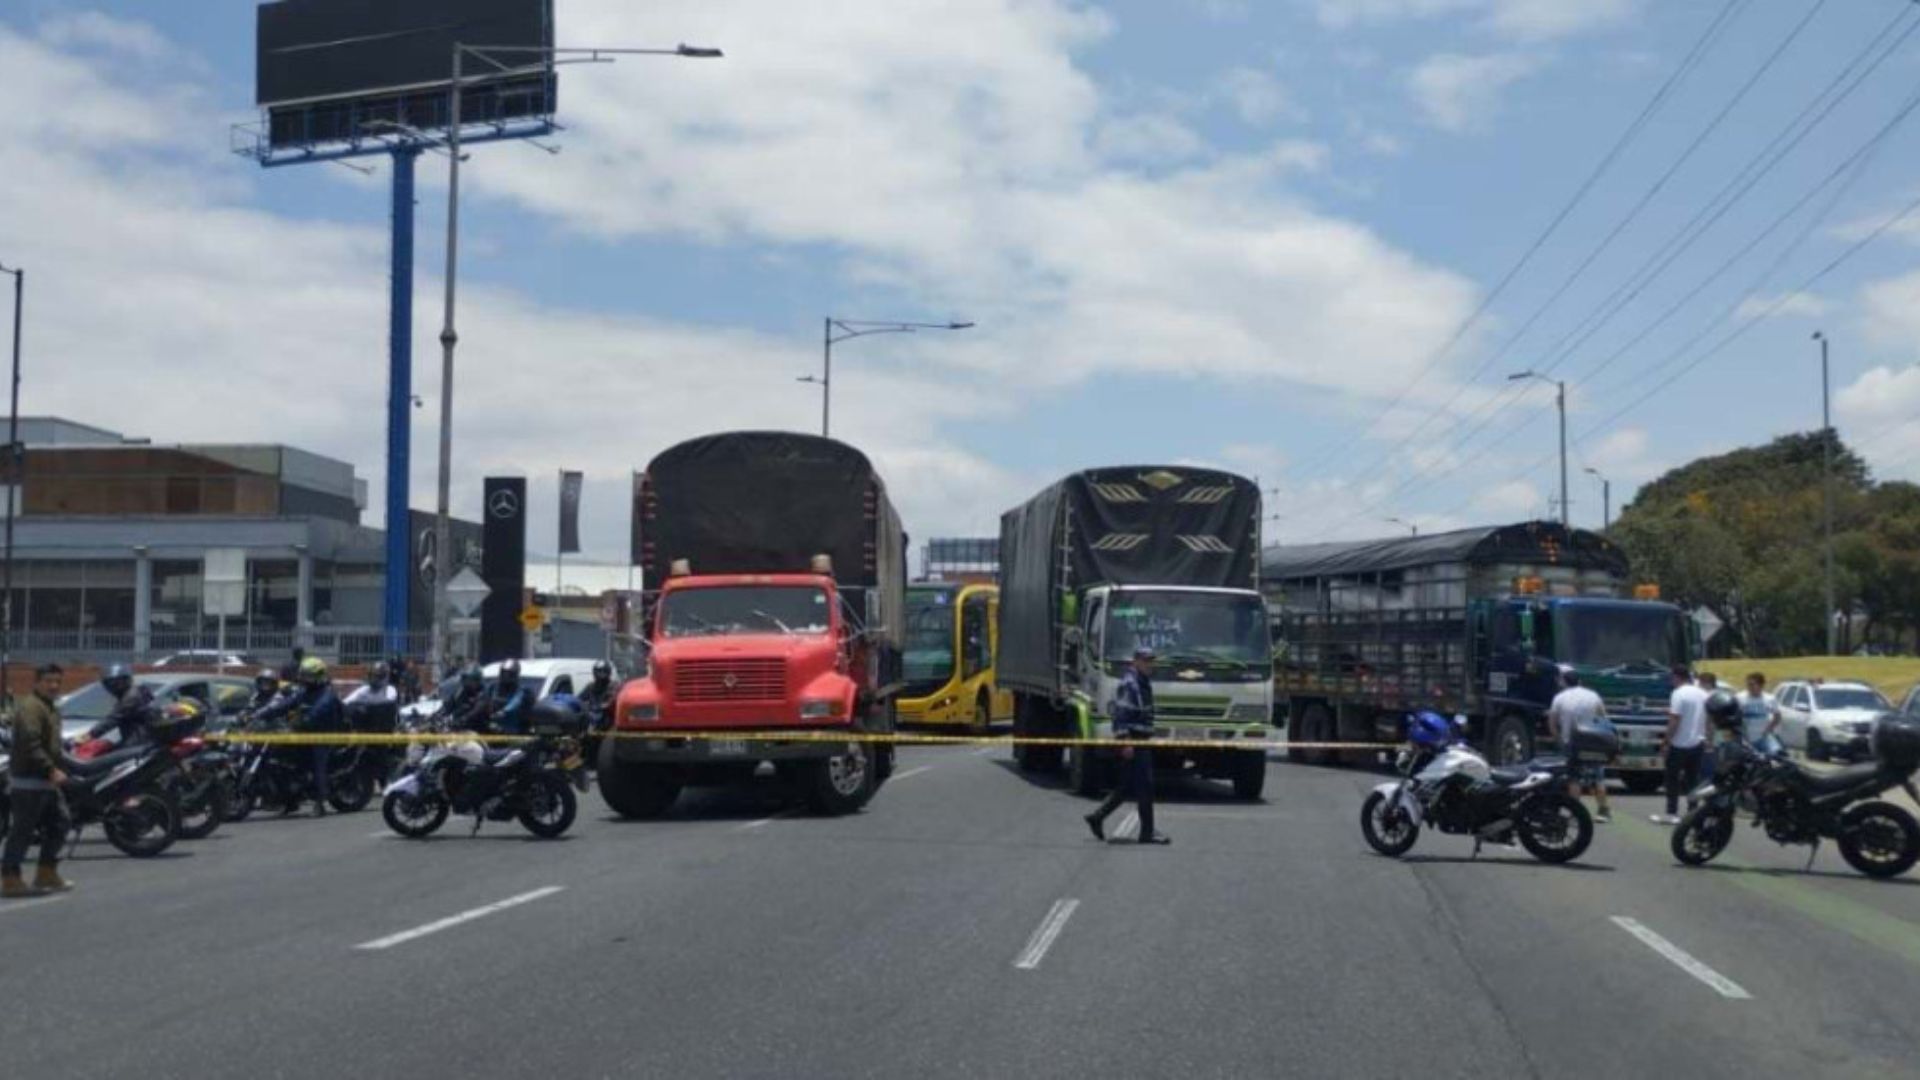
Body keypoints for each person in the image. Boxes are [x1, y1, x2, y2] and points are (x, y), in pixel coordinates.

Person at [1084, 646, 1170, 845]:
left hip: (1140, 739)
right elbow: (1121, 715)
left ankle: (1097, 817)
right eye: (1146, 660)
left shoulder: (1141, 681)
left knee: (1126, 787)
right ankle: (1147, 833)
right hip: (1134, 740)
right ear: (1136, 661)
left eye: (1151, 660)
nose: (1150, 664)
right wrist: (1126, 743)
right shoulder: (1130, 684)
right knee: (1145, 787)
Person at [3, 664, 75, 899]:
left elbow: (51, 744)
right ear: (37, 683)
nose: (53, 685)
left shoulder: (49, 707)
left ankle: (46, 872)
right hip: (29, 781)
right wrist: (50, 769)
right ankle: (10, 877)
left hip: (45, 780)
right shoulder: (31, 708)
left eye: (57, 681)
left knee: (60, 823)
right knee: (23, 830)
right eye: (48, 681)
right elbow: (30, 744)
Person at [252, 656, 343, 816]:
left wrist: (298, 724)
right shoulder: (304, 692)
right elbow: (284, 705)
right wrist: (259, 714)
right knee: (280, 755)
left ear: (318, 676)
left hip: (323, 736)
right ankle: (289, 798)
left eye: (308, 675)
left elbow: (316, 713)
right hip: (302, 733)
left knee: (317, 764)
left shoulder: (327, 695)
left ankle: (320, 802)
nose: (304, 679)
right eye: (303, 675)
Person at [1547, 669, 1613, 824]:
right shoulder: (1593, 695)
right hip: (1593, 742)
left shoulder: (1559, 698)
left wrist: (1559, 740)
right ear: (1580, 682)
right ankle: (1603, 811)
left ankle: (1575, 812)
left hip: (1572, 742)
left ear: (1564, 682)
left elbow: (1552, 723)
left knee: (1574, 778)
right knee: (1597, 777)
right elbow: (1603, 717)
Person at [1654, 666, 1709, 825]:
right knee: (1693, 780)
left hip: (1679, 743)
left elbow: (1675, 720)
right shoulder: (1702, 693)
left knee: (1672, 779)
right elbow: (1707, 718)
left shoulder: (1678, 693)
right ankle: (1693, 812)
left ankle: (1672, 813)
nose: (1672, 681)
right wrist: (1708, 738)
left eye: (1672, 678)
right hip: (1698, 742)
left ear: (1677, 677)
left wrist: (1666, 741)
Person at [86, 664, 159, 747]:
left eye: (115, 682)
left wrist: (87, 736)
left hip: (139, 742)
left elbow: (112, 719)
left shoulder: (131, 698)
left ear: (126, 680)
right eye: (108, 683)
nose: (111, 686)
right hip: (143, 740)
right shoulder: (134, 693)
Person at [1736, 672, 1785, 757]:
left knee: (1775, 753)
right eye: (1748, 684)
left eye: (1752, 684)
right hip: (1745, 738)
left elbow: (1777, 716)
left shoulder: (1769, 698)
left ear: (1761, 685)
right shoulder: (1739, 697)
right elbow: (1734, 716)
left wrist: (1769, 729)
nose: (1749, 687)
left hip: (1763, 737)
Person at [479, 660, 532, 737]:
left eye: (509, 674)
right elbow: (482, 702)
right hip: (491, 732)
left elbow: (516, 701)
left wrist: (503, 712)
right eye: (503, 673)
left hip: (514, 734)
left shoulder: (523, 691)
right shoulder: (492, 688)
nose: (505, 677)